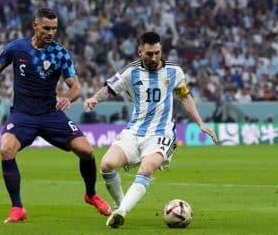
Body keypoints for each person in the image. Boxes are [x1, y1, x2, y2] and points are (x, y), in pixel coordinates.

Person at [0, 8, 111, 224]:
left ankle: (91, 195)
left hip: (50, 114)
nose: (51, 32)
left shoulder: (60, 53)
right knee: (6, 149)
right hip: (23, 115)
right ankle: (17, 208)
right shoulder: (17, 48)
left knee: (87, 150)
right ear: (35, 26)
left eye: (54, 28)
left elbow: (75, 88)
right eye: (46, 28)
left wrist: (67, 98)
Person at [84, 31, 218, 228]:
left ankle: (121, 212)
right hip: (134, 130)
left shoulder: (174, 72)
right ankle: (121, 203)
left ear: (161, 49)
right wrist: (95, 98)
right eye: (149, 54)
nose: (154, 57)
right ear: (140, 52)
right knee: (106, 165)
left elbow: (184, 97)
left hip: (161, 134)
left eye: (157, 52)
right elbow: (109, 88)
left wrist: (200, 123)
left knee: (146, 168)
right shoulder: (131, 72)